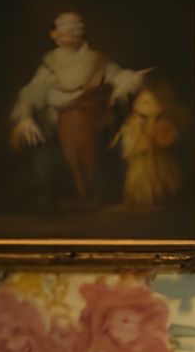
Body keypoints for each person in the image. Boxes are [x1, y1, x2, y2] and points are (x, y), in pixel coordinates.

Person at [9, 11, 148, 206]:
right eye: (66, 25)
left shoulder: (98, 59)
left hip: (94, 117)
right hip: (59, 118)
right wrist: (24, 117)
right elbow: (32, 93)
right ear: (55, 34)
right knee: (61, 124)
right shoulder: (50, 63)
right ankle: (74, 190)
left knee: (78, 120)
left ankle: (88, 189)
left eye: (76, 25)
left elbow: (118, 78)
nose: (73, 29)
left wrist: (132, 79)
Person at [112, 82, 179, 207]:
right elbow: (130, 140)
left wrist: (153, 129)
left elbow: (166, 139)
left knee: (159, 178)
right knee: (139, 181)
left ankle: (157, 199)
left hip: (157, 159)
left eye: (151, 101)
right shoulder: (133, 123)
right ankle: (140, 200)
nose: (149, 105)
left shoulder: (161, 123)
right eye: (145, 102)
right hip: (140, 159)